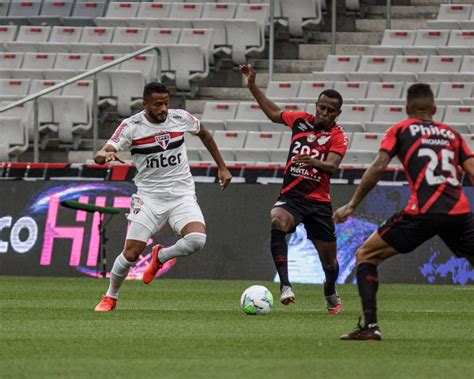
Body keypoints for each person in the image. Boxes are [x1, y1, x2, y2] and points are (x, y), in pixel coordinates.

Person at [333, 83, 474, 340]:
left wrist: (352, 204)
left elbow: (378, 167)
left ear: (407, 108)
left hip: (421, 212)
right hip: (459, 212)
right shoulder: (452, 134)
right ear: (434, 108)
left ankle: (371, 327)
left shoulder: (400, 130)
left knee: (366, 255)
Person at [94, 82, 232, 312]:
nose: (163, 109)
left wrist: (222, 167)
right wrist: (104, 155)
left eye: (166, 103)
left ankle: (160, 256)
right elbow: (103, 152)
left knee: (197, 239)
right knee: (132, 253)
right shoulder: (131, 126)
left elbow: (205, 134)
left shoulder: (180, 118)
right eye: (158, 104)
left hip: (181, 194)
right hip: (149, 197)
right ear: (144, 104)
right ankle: (111, 296)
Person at [240, 64, 348, 313]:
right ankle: (285, 286)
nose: (324, 113)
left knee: (330, 263)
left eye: (330, 111)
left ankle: (330, 290)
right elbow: (273, 113)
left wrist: (314, 162)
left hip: (319, 203)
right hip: (292, 198)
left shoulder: (338, 136)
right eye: (322, 107)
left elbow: (332, 167)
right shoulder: (300, 121)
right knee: (277, 220)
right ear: (316, 105)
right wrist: (253, 86)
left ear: (337, 113)